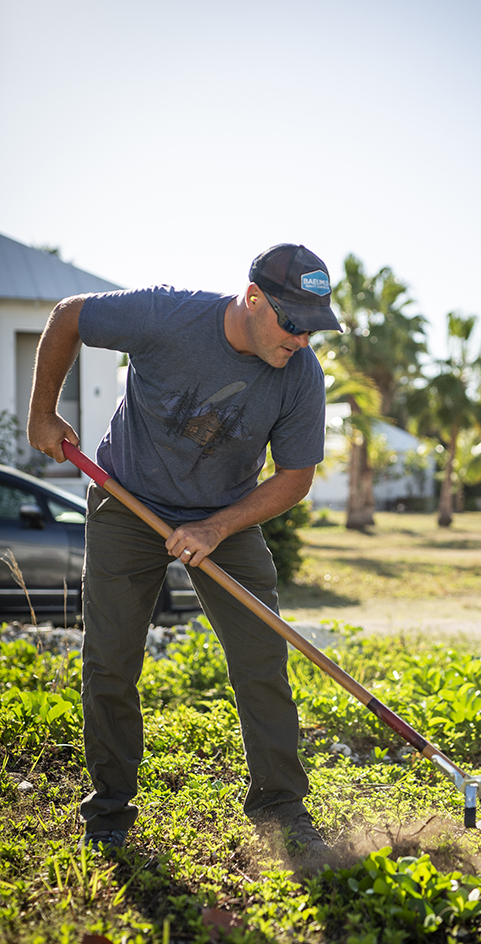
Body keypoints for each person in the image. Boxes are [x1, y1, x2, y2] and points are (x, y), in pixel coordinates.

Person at [27, 243, 341, 857]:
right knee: (111, 661)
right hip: (126, 499)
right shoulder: (166, 317)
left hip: (224, 513)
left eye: (315, 327)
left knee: (261, 656)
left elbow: (294, 479)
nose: (302, 341)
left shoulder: (301, 374)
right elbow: (68, 316)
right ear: (253, 300)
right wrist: (44, 413)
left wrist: (216, 529)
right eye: (294, 323)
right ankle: (110, 809)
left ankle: (280, 805)